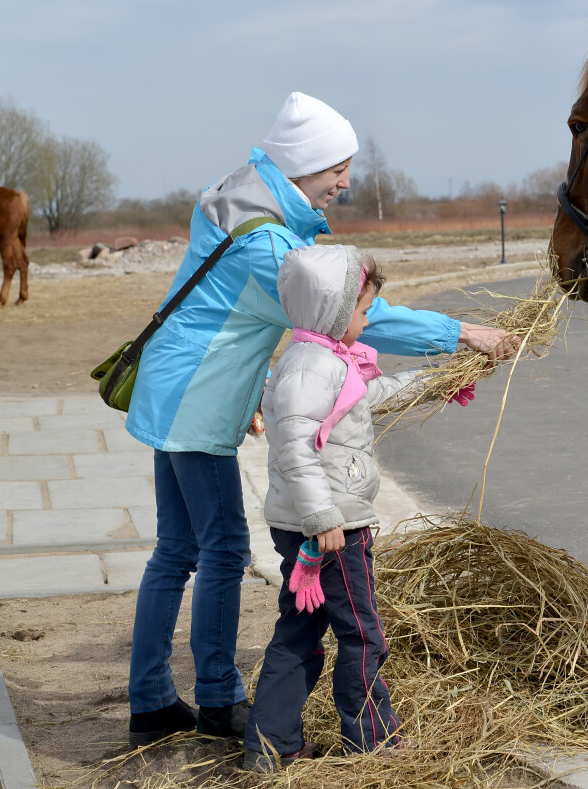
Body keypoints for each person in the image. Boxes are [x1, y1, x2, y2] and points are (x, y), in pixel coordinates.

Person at [123, 92, 519, 747]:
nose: (346, 179)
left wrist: (252, 388)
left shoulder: (237, 193)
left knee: (177, 549)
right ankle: (217, 699)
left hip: (178, 382)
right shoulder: (273, 243)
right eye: (337, 165)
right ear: (303, 163)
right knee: (220, 548)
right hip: (197, 397)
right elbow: (352, 315)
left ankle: (151, 697)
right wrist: (460, 333)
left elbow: (223, 307)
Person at [243, 244, 440, 770]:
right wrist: (325, 518)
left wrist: (437, 383)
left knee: (300, 630)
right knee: (361, 633)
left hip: (314, 523)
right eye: (363, 310)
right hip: (334, 529)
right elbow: (294, 448)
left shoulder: (322, 361)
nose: (368, 318)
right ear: (332, 311)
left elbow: (369, 400)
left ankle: (271, 744)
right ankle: (373, 742)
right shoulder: (313, 368)